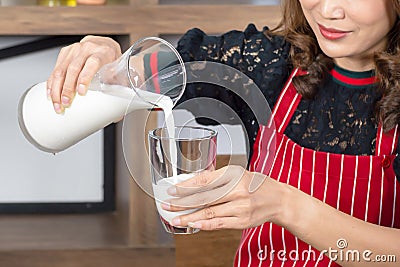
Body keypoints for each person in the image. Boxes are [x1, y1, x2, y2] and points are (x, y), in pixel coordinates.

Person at [46, 0, 400, 266]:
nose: (328, 10)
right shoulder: (270, 61)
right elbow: (141, 75)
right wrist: (112, 63)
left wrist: (285, 204)